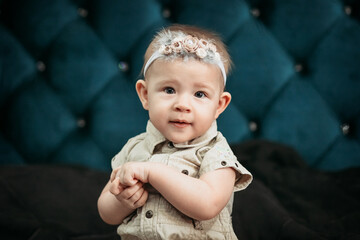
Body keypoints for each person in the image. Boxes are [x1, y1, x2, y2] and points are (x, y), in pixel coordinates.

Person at [97, 24, 252, 240]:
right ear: (145, 94)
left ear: (219, 105)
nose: (182, 104)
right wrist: (121, 200)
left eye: (199, 94)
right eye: (169, 90)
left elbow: (208, 204)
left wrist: (153, 172)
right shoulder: (134, 147)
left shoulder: (215, 152)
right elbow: (106, 212)